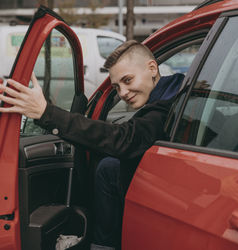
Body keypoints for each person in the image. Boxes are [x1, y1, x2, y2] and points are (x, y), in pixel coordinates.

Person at [0, 40, 184, 250]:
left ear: (152, 68)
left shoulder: (171, 104)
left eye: (128, 80)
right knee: (110, 167)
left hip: (172, 199)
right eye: (116, 86)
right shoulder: (175, 93)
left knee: (109, 168)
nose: (123, 92)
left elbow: (123, 139)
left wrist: (46, 113)